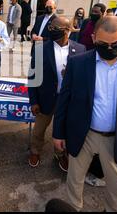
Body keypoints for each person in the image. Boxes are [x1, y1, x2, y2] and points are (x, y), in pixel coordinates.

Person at [53, 16, 117, 212]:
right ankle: (73, 208)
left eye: (116, 44)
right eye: (103, 44)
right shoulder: (78, 62)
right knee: (74, 180)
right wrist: (58, 132)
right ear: (93, 38)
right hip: (83, 134)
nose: (109, 48)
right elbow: (64, 100)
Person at [28, 16, 85, 169]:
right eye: (50, 28)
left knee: (63, 131)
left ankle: (60, 154)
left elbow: (84, 78)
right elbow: (32, 76)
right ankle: (35, 151)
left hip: (67, 101)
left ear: (67, 31)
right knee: (38, 130)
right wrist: (33, 101)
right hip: (45, 98)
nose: (50, 31)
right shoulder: (41, 48)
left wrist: (72, 76)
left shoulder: (80, 50)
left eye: (55, 29)